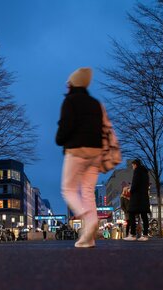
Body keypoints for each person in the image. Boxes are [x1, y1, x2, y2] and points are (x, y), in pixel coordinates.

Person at [56, 67, 105, 248]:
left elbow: (65, 128)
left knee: (68, 189)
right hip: (96, 151)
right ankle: (88, 238)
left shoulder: (70, 101)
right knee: (87, 191)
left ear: (73, 83)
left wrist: (59, 138)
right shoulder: (95, 103)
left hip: (77, 150)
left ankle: (88, 217)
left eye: (68, 83)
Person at [124, 159, 150, 242]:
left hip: (137, 197)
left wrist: (130, 190)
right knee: (144, 215)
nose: (132, 167)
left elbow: (135, 183)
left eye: (133, 166)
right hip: (144, 196)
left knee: (131, 213)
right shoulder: (145, 172)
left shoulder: (137, 171)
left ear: (135, 165)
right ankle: (145, 235)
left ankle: (133, 234)